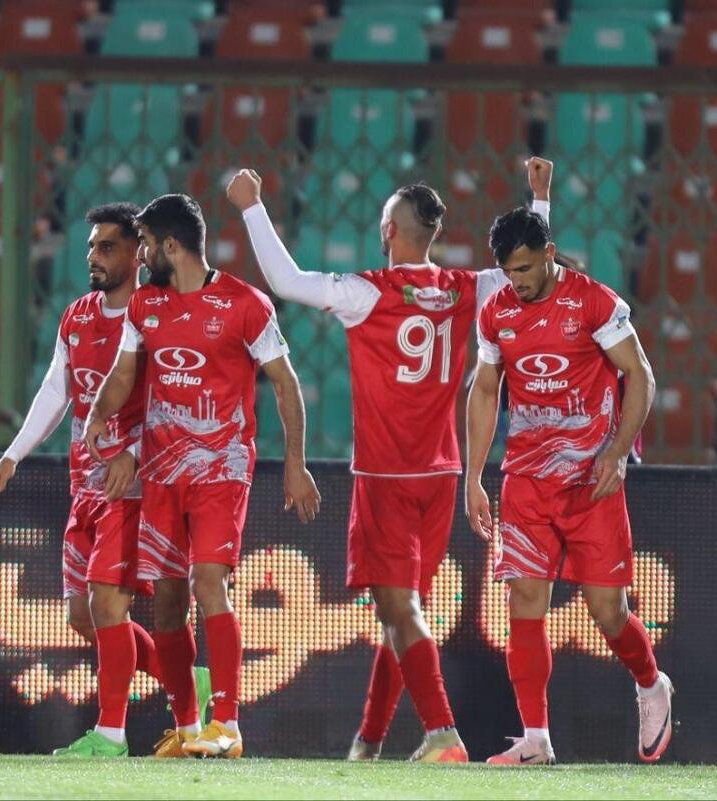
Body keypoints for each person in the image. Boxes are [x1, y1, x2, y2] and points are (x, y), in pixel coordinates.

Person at [225, 159, 553, 762]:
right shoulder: (467, 288)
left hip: (385, 476)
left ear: (389, 232)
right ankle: (369, 743)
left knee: (401, 611)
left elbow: (286, 280)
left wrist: (251, 206)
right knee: (404, 617)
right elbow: (525, 264)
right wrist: (540, 201)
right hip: (441, 474)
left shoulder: (367, 292)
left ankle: (442, 733)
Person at [83, 194, 321, 759]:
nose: (141, 255)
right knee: (167, 604)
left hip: (222, 467)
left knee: (207, 583)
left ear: (170, 246)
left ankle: (229, 725)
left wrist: (295, 464)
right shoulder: (146, 304)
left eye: (146, 244)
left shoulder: (246, 304)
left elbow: (285, 383)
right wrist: (97, 413)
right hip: (161, 472)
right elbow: (123, 373)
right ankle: (189, 727)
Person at [0, 203, 212, 757]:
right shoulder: (77, 316)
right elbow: (56, 391)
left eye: (107, 247)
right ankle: (186, 683)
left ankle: (110, 736)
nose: (94, 256)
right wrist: (13, 454)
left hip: (133, 490)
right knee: (83, 616)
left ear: (138, 254)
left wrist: (132, 452)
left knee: (109, 606)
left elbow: (175, 400)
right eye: (91, 246)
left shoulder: (157, 315)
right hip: (84, 486)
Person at [464, 205, 674, 766]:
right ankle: (536, 739)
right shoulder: (496, 313)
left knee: (608, 612)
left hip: (590, 482)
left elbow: (641, 375)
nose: (517, 280)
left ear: (549, 255)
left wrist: (618, 453)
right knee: (524, 600)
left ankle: (651, 684)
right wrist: (473, 477)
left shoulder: (594, 303)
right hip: (526, 480)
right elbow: (484, 391)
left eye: (525, 268)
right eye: (509, 271)